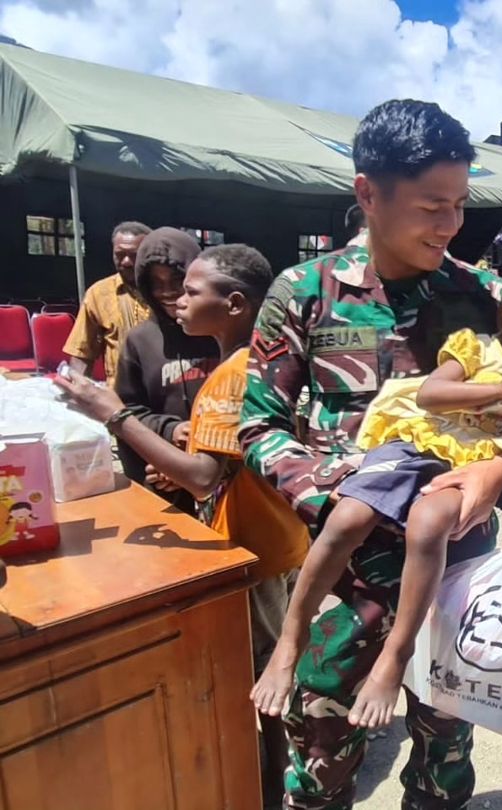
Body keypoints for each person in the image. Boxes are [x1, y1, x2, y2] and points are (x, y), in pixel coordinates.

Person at [240, 98, 502, 810]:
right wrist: (346, 493)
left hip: (453, 575)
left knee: (445, 762)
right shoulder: (306, 294)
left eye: (460, 205)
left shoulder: (478, 296)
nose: (450, 225)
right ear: (367, 194)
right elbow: (258, 427)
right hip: (342, 581)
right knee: (318, 764)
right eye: (432, 206)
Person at [252, 263, 502, 730]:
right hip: (416, 444)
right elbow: (431, 395)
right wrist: (499, 386)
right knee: (348, 517)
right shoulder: (476, 348)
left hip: (465, 471)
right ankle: (289, 641)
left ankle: (396, 656)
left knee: (430, 523)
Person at [54, 243, 309, 797]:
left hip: (253, 550)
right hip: (280, 538)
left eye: (192, 291)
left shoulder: (233, 373)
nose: (177, 299)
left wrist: (113, 414)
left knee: (262, 679)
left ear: (236, 303)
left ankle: (269, 788)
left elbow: (202, 476)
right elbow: (226, 462)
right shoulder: (265, 358)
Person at [114, 227, 219, 515]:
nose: (167, 291)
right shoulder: (140, 341)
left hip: (226, 476)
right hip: (164, 478)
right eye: (155, 283)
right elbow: (127, 409)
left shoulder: (222, 331)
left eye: (177, 279)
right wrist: (170, 431)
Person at [63, 221, 152, 386]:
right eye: (119, 254)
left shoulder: (167, 291)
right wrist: (79, 391)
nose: (126, 262)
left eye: (134, 255)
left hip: (164, 394)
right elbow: (82, 352)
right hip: (119, 396)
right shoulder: (98, 294)